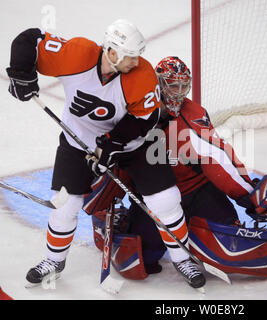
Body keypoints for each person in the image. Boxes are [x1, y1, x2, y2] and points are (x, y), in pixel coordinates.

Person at [6, 21, 205, 289]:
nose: (136, 61)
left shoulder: (142, 74)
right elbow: (30, 38)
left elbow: (145, 121)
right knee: (64, 204)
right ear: (112, 51)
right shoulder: (76, 54)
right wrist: (21, 73)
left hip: (134, 145)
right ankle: (54, 261)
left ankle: (183, 259)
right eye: (130, 55)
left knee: (165, 200)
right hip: (78, 144)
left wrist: (111, 145)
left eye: (138, 55)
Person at [84, 56, 267, 280]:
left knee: (230, 239)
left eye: (183, 86)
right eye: (172, 85)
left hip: (198, 191)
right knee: (141, 260)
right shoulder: (131, 110)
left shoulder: (193, 115)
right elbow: (112, 150)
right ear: (157, 84)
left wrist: (250, 194)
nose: (179, 93)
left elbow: (218, 158)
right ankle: (117, 219)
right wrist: (107, 183)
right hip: (152, 197)